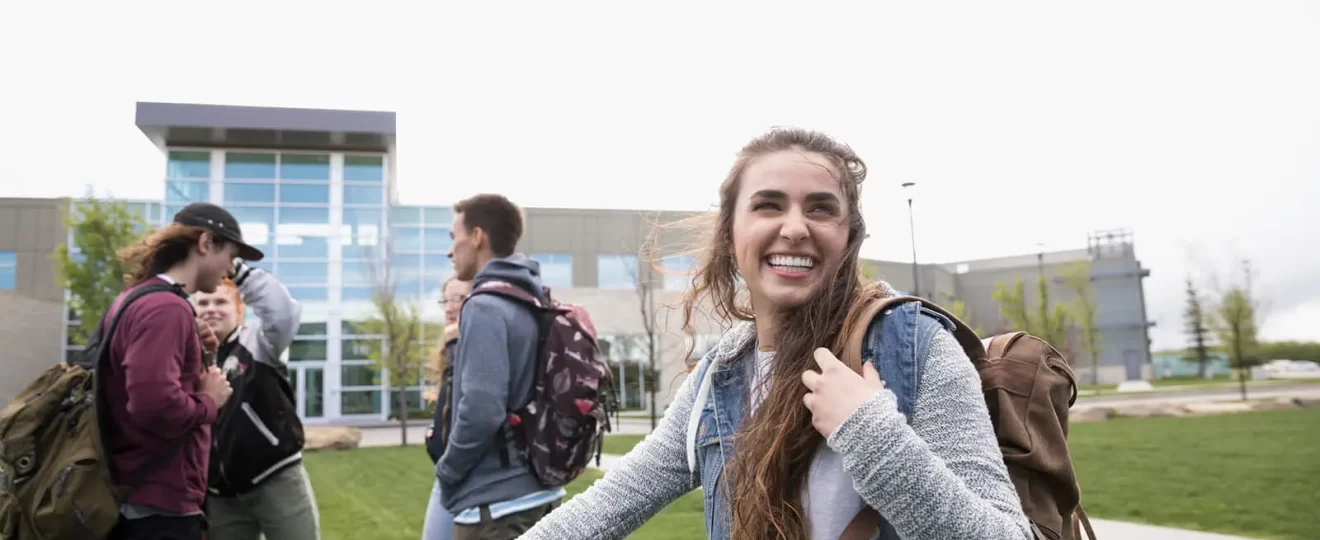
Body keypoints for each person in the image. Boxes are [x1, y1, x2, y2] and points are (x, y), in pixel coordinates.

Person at [520, 128, 1032, 540]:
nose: (794, 227)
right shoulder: (718, 380)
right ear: (731, 232)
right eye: (768, 205)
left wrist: (872, 434)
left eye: (820, 208)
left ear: (849, 236)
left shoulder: (916, 349)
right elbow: (602, 509)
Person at [104, 202, 263, 540]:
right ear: (205, 244)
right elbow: (152, 405)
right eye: (230, 256)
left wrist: (204, 353)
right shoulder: (166, 308)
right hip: (158, 505)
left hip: (138, 495)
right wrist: (209, 401)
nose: (230, 269)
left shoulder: (136, 298)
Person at [438, 194, 561, 540]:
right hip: (541, 493)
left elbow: (481, 410)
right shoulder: (533, 299)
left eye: (454, 238)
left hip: (496, 509)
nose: (451, 251)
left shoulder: (484, 306)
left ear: (477, 237)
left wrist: (447, 471)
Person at [192, 258, 319, 540]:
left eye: (221, 303)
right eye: (203, 304)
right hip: (220, 494)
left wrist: (239, 271)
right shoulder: (189, 358)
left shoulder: (260, 344)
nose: (211, 309)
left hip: (275, 479)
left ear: (239, 309)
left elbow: (283, 315)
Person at [421, 275, 472, 540]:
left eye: (458, 298)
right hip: (448, 476)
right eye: (445, 300)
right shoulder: (448, 351)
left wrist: (455, 344)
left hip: (469, 479)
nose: (449, 307)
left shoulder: (471, 348)